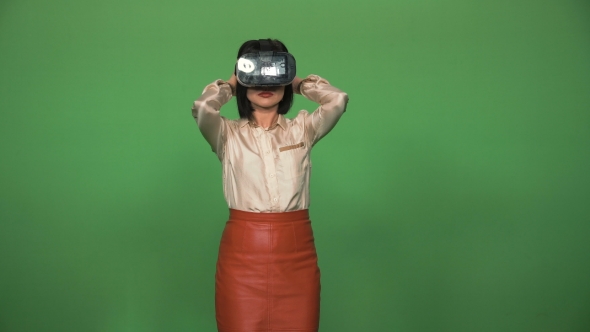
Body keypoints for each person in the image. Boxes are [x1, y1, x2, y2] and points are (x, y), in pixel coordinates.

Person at [191, 38, 349, 332]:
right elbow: (202, 108)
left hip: (297, 256)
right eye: (256, 73)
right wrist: (232, 83)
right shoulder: (225, 133)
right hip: (242, 258)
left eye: (275, 72)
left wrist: (297, 82)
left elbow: (337, 100)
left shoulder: (303, 128)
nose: (266, 82)